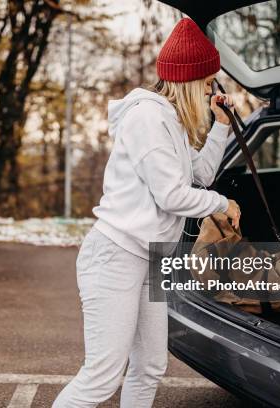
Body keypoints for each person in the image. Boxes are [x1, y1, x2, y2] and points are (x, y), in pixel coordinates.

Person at [52, 17, 241, 408]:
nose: (212, 90)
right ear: (189, 81)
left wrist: (220, 126)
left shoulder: (170, 122)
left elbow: (200, 175)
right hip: (116, 255)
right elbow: (172, 195)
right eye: (208, 82)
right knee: (101, 378)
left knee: (151, 365)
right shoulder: (147, 118)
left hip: (150, 255)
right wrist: (223, 204)